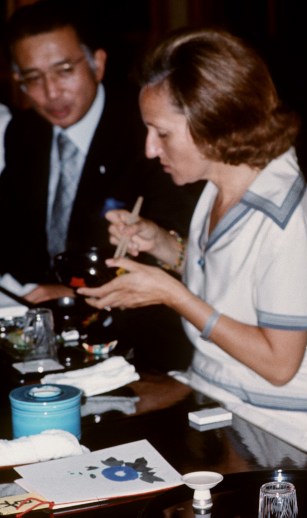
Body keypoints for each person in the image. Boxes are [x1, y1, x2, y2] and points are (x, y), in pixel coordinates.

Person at [78, 28, 307, 452]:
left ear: (214, 122)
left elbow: (279, 365)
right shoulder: (222, 183)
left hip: (283, 423)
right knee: (84, 423)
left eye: (162, 133)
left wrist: (172, 295)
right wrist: (161, 244)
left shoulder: (284, 220)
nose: (151, 149)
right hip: (217, 392)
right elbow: (230, 278)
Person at [0, 0, 201, 370]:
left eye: (63, 71)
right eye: (33, 77)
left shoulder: (148, 135)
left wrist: (74, 296)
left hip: (138, 334)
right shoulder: (24, 133)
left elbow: (184, 250)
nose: (51, 92)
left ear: (98, 63)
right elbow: (11, 234)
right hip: (42, 331)